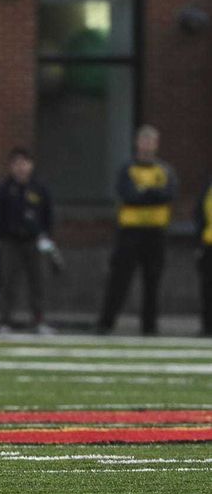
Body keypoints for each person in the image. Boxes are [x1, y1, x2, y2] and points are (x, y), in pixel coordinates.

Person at [97, 125, 177, 336]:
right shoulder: (127, 169)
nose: (148, 145)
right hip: (130, 232)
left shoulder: (165, 170)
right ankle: (106, 323)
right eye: (144, 141)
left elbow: (168, 194)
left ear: (156, 144)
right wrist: (151, 195)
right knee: (119, 279)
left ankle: (149, 327)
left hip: (156, 233)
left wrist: (145, 193)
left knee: (153, 281)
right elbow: (129, 195)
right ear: (137, 143)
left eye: (152, 141)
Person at [0, 147, 55, 335]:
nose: (21, 168)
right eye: (17, 164)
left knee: (38, 282)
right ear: (11, 166)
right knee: (8, 281)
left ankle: (39, 320)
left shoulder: (39, 188)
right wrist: (1, 234)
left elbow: (48, 214)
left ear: (31, 165)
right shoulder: (5, 188)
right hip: (10, 241)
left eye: (24, 163)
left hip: (33, 240)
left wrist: (45, 235)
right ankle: (4, 321)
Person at [197, 178, 212, 336]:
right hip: (209, 242)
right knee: (207, 287)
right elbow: (199, 213)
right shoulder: (208, 184)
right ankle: (207, 326)